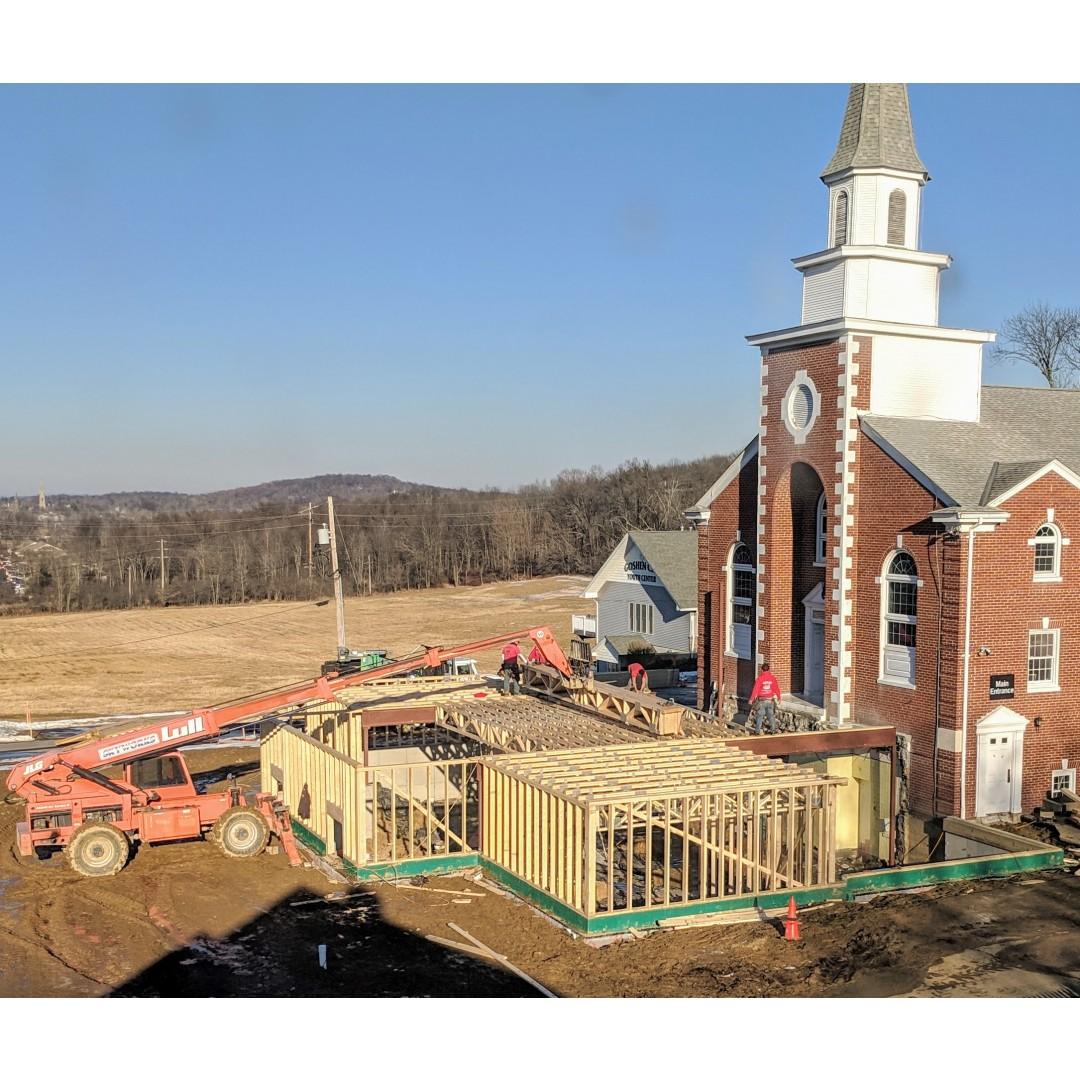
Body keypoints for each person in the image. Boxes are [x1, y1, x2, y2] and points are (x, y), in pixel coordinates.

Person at [748, 661, 781, 735]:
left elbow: (755, 690)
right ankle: (773, 730)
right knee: (771, 715)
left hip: (761, 700)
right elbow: (776, 688)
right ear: (769, 670)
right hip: (770, 700)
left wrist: (751, 699)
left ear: (762, 670)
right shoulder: (772, 678)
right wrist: (779, 697)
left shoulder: (760, 679)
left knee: (760, 716)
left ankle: (757, 731)